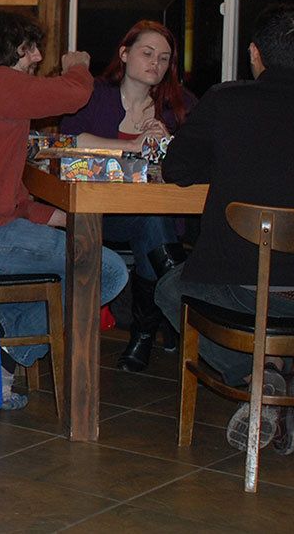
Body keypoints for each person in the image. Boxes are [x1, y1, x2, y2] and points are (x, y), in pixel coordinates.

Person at [155, 4, 294, 454]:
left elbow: (177, 170)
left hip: (245, 293)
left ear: (253, 53)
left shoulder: (225, 101)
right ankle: (280, 377)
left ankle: (255, 377)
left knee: (170, 289)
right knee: (270, 293)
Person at [0, 10, 128, 406]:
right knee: (108, 269)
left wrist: (57, 219)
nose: (36, 57)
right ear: (6, 48)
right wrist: (79, 66)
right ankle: (0, 358)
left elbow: (2, 191)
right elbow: (74, 95)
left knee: (73, 263)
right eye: (29, 48)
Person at [60, 20, 196, 372]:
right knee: (151, 224)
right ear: (124, 53)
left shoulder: (177, 105)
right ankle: (171, 310)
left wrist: (169, 143)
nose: (156, 63)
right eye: (147, 53)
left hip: (156, 216)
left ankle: (144, 333)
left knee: (152, 219)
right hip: (102, 215)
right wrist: (132, 146)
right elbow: (71, 140)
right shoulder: (96, 95)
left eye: (164, 58)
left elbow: (199, 157)